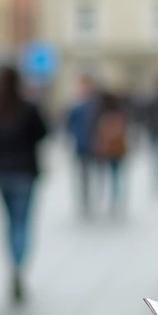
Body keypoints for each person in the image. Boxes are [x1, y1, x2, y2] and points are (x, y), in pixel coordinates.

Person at [0, 66, 49, 303]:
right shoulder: (28, 107)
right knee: (22, 223)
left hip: (0, 173)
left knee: (9, 222)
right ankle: (18, 268)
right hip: (24, 172)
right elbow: (43, 132)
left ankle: (13, 266)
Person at [90, 90, 129, 217]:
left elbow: (93, 129)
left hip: (104, 150)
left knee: (101, 175)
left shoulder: (99, 111)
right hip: (117, 150)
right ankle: (115, 199)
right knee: (115, 175)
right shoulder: (120, 111)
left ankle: (100, 197)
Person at [64, 75, 98, 218]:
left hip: (95, 145)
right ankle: (85, 197)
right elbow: (68, 124)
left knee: (93, 172)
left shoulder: (95, 104)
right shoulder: (76, 105)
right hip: (81, 145)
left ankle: (91, 195)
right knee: (83, 173)